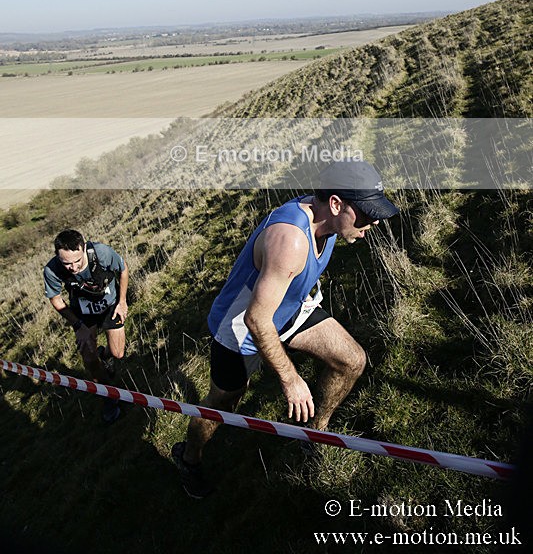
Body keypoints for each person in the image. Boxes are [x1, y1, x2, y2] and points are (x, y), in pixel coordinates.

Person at [172, 159, 399, 497]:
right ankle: (188, 459)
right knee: (223, 403)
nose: (374, 223)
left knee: (351, 360)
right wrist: (291, 380)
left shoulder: (329, 220)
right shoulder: (289, 239)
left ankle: (315, 434)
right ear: (336, 204)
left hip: (287, 310)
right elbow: (256, 319)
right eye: (366, 214)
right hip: (240, 331)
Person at [43, 229, 129, 423]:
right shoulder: (52, 270)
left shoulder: (102, 253)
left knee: (118, 353)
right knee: (89, 360)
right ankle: (109, 396)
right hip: (82, 313)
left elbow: (123, 270)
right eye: (67, 263)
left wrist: (122, 301)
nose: (73, 267)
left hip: (110, 306)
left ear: (83, 248)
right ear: (58, 256)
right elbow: (56, 300)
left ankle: (106, 356)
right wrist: (78, 325)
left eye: (77, 261)